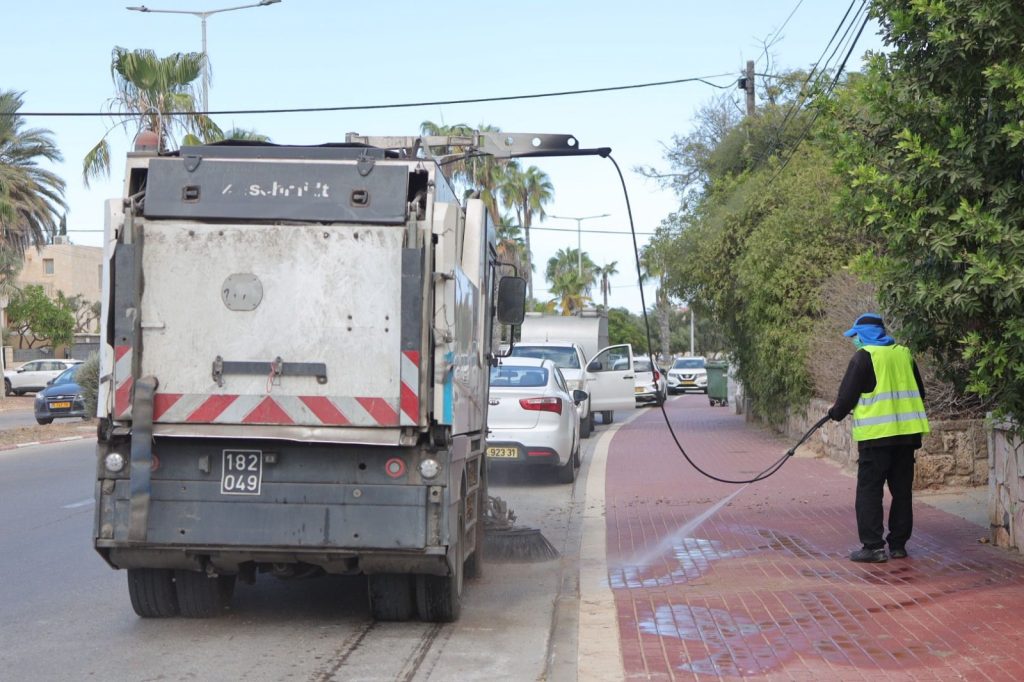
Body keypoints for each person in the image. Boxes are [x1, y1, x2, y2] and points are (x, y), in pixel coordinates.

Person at [828, 313, 930, 563]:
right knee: (902, 492)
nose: (855, 341)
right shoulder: (904, 354)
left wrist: (835, 413)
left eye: (856, 336)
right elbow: (921, 392)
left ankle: (873, 547)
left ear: (864, 335)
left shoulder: (864, 357)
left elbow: (845, 399)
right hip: (906, 436)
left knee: (870, 491)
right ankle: (898, 546)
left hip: (876, 438)